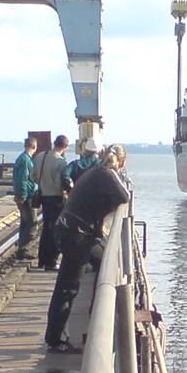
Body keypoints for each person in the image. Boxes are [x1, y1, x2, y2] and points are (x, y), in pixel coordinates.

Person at [44, 144, 130, 352]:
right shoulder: (106, 174)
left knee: (106, 264)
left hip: (73, 231)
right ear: (121, 161)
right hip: (76, 236)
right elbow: (124, 197)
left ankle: (97, 315)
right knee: (68, 287)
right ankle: (55, 340)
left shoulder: (95, 171)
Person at [31, 134, 69, 270]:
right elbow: (61, 184)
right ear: (65, 147)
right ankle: (51, 261)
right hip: (56, 198)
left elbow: (33, 177)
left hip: (43, 196)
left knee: (46, 229)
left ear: (54, 143)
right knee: (55, 230)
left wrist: (43, 184)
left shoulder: (41, 156)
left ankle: (42, 260)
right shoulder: (61, 162)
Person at [12, 137, 38, 260]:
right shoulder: (26, 161)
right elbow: (23, 179)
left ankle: (22, 247)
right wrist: (22, 195)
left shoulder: (20, 158)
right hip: (27, 196)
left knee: (25, 223)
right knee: (32, 224)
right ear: (34, 147)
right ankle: (23, 248)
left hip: (22, 195)